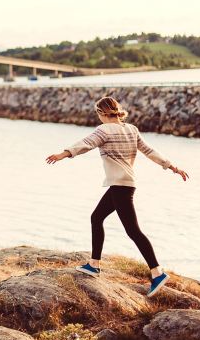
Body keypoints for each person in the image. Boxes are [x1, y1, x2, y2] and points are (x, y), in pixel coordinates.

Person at [45, 96, 188, 297]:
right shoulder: (131, 129)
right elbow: (150, 151)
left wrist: (64, 154)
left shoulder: (103, 130)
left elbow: (86, 144)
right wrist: (172, 167)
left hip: (121, 186)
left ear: (102, 113)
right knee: (97, 218)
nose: (98, 117)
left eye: (98, 113)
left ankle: (157, 272)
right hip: (123, 185)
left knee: (133, 231)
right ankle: (94, 264)